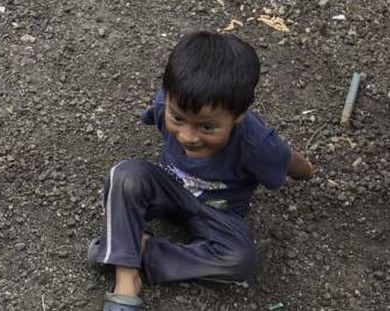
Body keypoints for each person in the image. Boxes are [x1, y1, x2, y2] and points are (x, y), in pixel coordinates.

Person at [88, 31, 314, 311]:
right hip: (168, 189)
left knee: (240, 260)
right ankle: (126, 279)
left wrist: (306, 172)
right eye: (178, 119)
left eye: (207, 127)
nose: (187, 136)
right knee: (124, 176)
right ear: (169, 98)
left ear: (239, 115)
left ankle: (132, 248)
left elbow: (285, 159)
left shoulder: (257, 144)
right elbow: (162, 119)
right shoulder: (165, 105)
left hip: (218, 213)